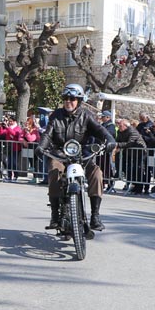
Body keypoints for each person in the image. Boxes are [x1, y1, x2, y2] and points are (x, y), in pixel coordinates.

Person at [37, 84, 115, 230]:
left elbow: (100, 130)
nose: (68, 101)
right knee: (54, 171)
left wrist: (110, 139)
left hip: (82, 156)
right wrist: (41, 146)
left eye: (72, 98)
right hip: (60, 154)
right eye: (66, 98)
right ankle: (54, 215)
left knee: (96, 173)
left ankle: (95, 216)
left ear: (78, 100)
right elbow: (48, 133)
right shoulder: (56, 115)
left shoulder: (86, 115)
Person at [115, 118, 147, 194]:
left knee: (138, 170)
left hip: (139, 153)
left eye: (120, 125)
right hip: (128, 153)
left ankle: (138, 188)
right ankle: (132, 185)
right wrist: (117, 144)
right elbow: (118, 140)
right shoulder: (120, 131)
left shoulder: (132, 131)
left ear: (126, 126)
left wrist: (118, 145)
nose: (119, 127)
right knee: (128, 169)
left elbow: (130, 143)